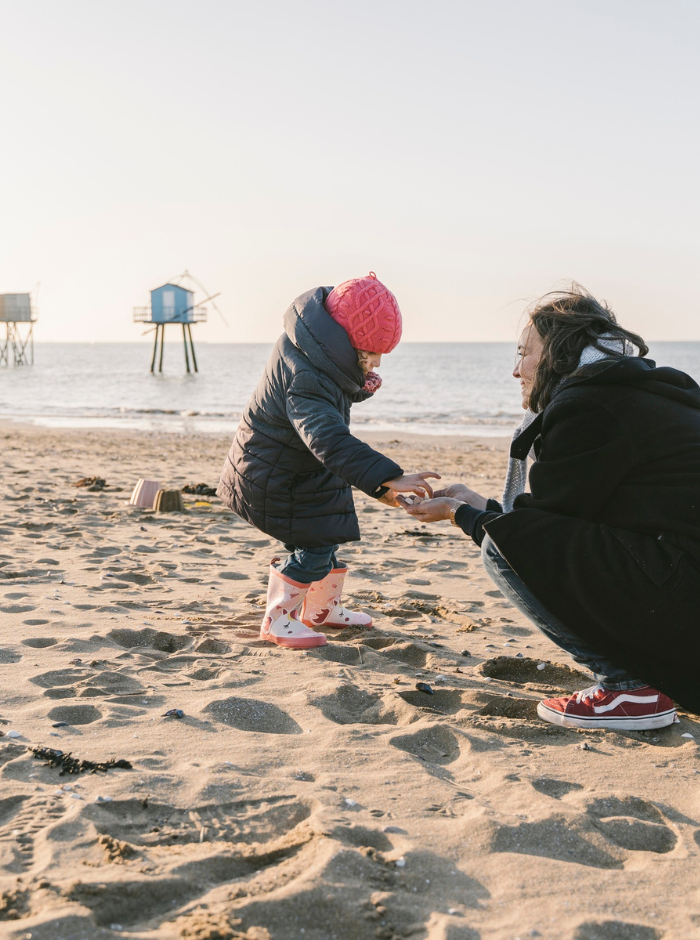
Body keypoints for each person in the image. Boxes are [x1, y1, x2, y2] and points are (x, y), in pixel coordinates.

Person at [401, 286, 700, 729]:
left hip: (681, 594)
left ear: (561, 354)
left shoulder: (589, 404)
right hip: (683, 588)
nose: (515, 369)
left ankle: (626, 691)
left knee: (503, 548)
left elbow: (532, 534)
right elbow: (563, 515)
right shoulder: (639, 391)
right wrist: (477, 504)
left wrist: (458, 514)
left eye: (524, 353)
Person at [217, 273, 439, 650]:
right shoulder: (305, 375)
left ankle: (321, 610)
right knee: (314, 549)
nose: (375, 362)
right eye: (367, 354)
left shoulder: (310, 347)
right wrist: (390, 477)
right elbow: (327, 437)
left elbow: (330, 397)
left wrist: (357, 383)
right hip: (274, 476)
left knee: (327, 535)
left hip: (295, 467)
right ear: (343, 342)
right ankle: (278, 618)